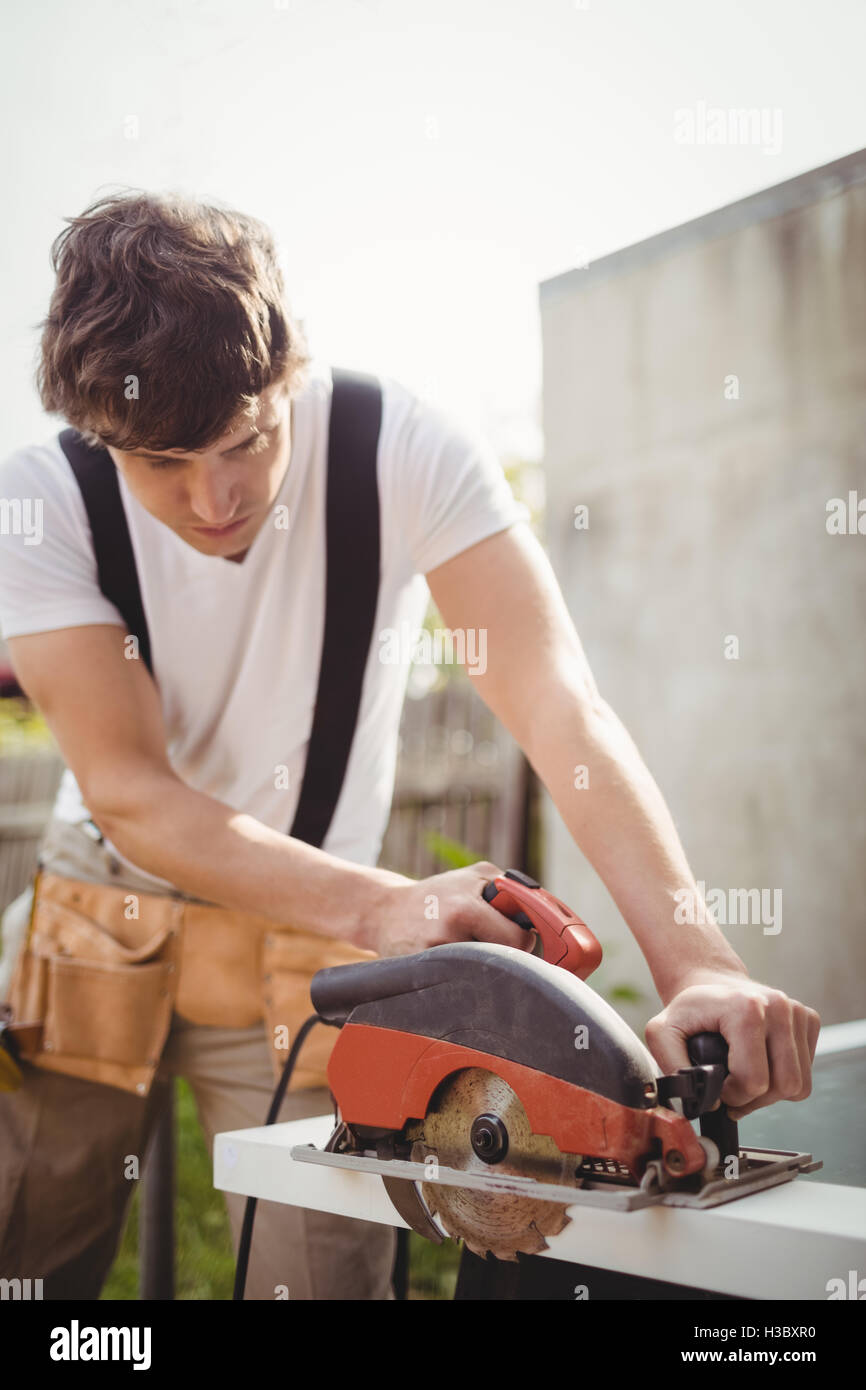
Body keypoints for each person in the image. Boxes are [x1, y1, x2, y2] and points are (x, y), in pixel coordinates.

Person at [0, 191, 819, 1301]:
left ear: (290, 368)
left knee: (321, 1267)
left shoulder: (403, 446)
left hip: (309, 931)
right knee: (28, 1249)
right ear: (101, 436)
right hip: (111, 909)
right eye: (162, 464)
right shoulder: (38, 500)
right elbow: (134, 792)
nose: (215, 497)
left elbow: (557, 704)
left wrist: (700, 963)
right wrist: (385, 907)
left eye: (245, 440)